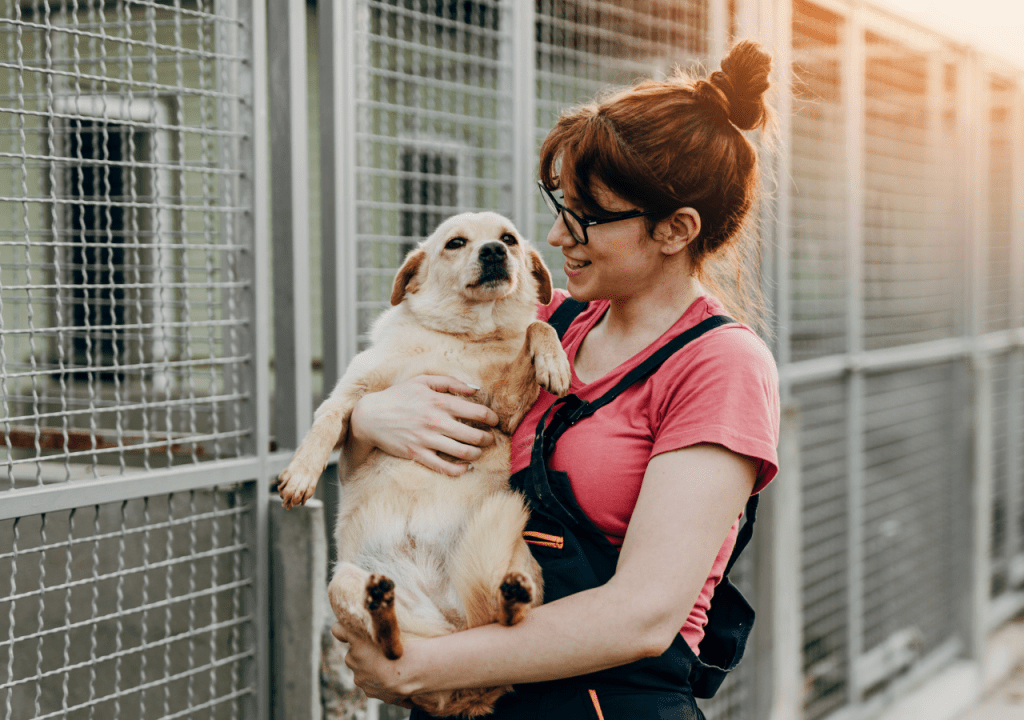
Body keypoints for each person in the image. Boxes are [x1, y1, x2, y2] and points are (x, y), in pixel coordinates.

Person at [332, 40, 781, 719]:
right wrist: (367, 419)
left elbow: (643, 615)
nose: (557, 233)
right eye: (560, 203)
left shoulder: (718, 366)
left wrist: (421, 666)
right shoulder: (545, 323)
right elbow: (378, 467)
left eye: (588, 216)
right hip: (471, 693)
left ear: (675, 229)